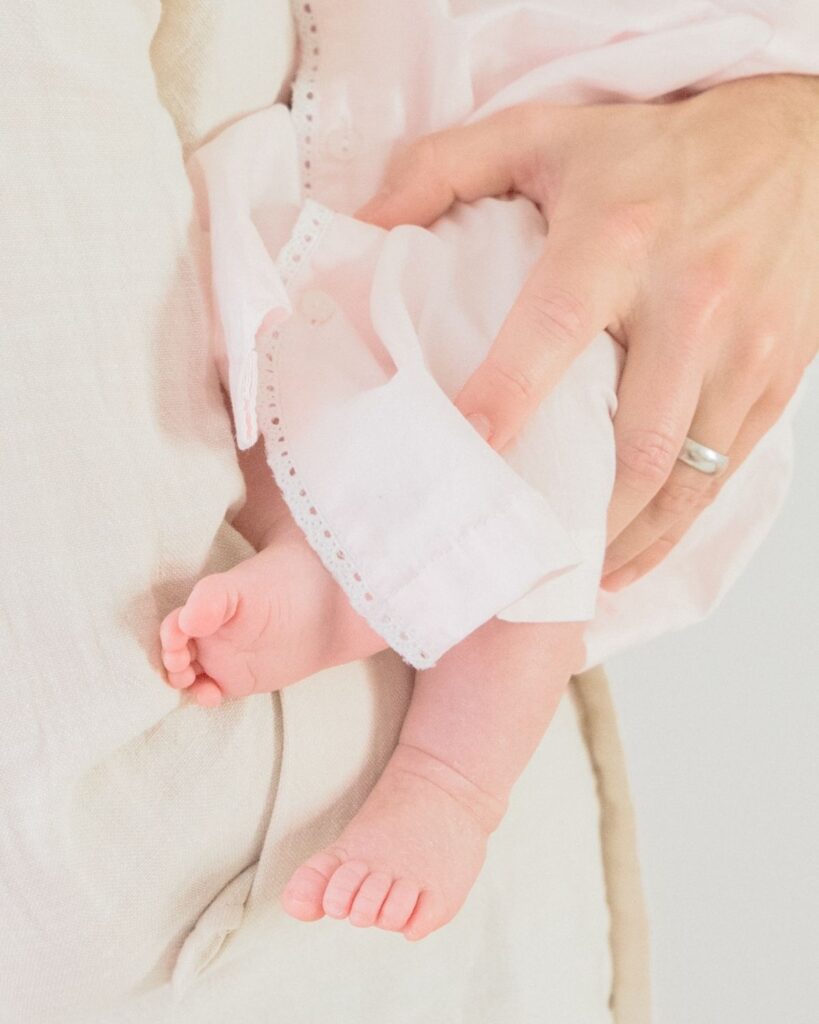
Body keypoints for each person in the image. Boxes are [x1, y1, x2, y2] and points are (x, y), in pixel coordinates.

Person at [157, 0, 818, 946]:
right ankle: (330, 567)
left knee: (541, 418)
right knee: (339, 333)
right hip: (459, 167)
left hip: (630, 209)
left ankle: (451, 780)